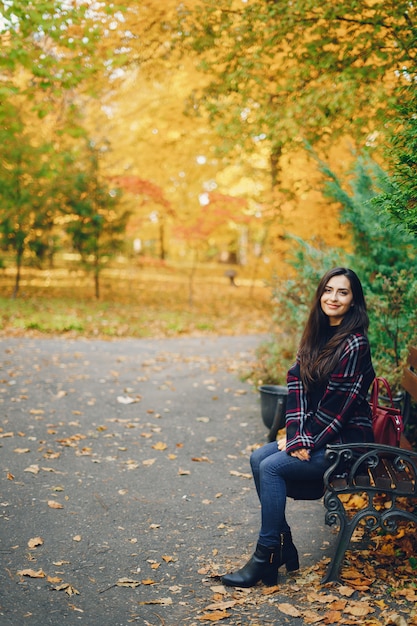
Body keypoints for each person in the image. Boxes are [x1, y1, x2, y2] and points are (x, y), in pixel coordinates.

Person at [221, 267, 375, 588]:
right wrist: (295, 437)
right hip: (322, 436)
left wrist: (303, 441)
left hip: (347, 444)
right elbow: (299, 387)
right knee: (257, 459)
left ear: (353, 301)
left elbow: (338, 410)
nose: (333, 298)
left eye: (342, 292)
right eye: (328, 290)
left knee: (273, 468)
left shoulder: (354, 344)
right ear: (320, 295)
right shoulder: (319, 334)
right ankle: (283, 546)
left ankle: (265, 556)